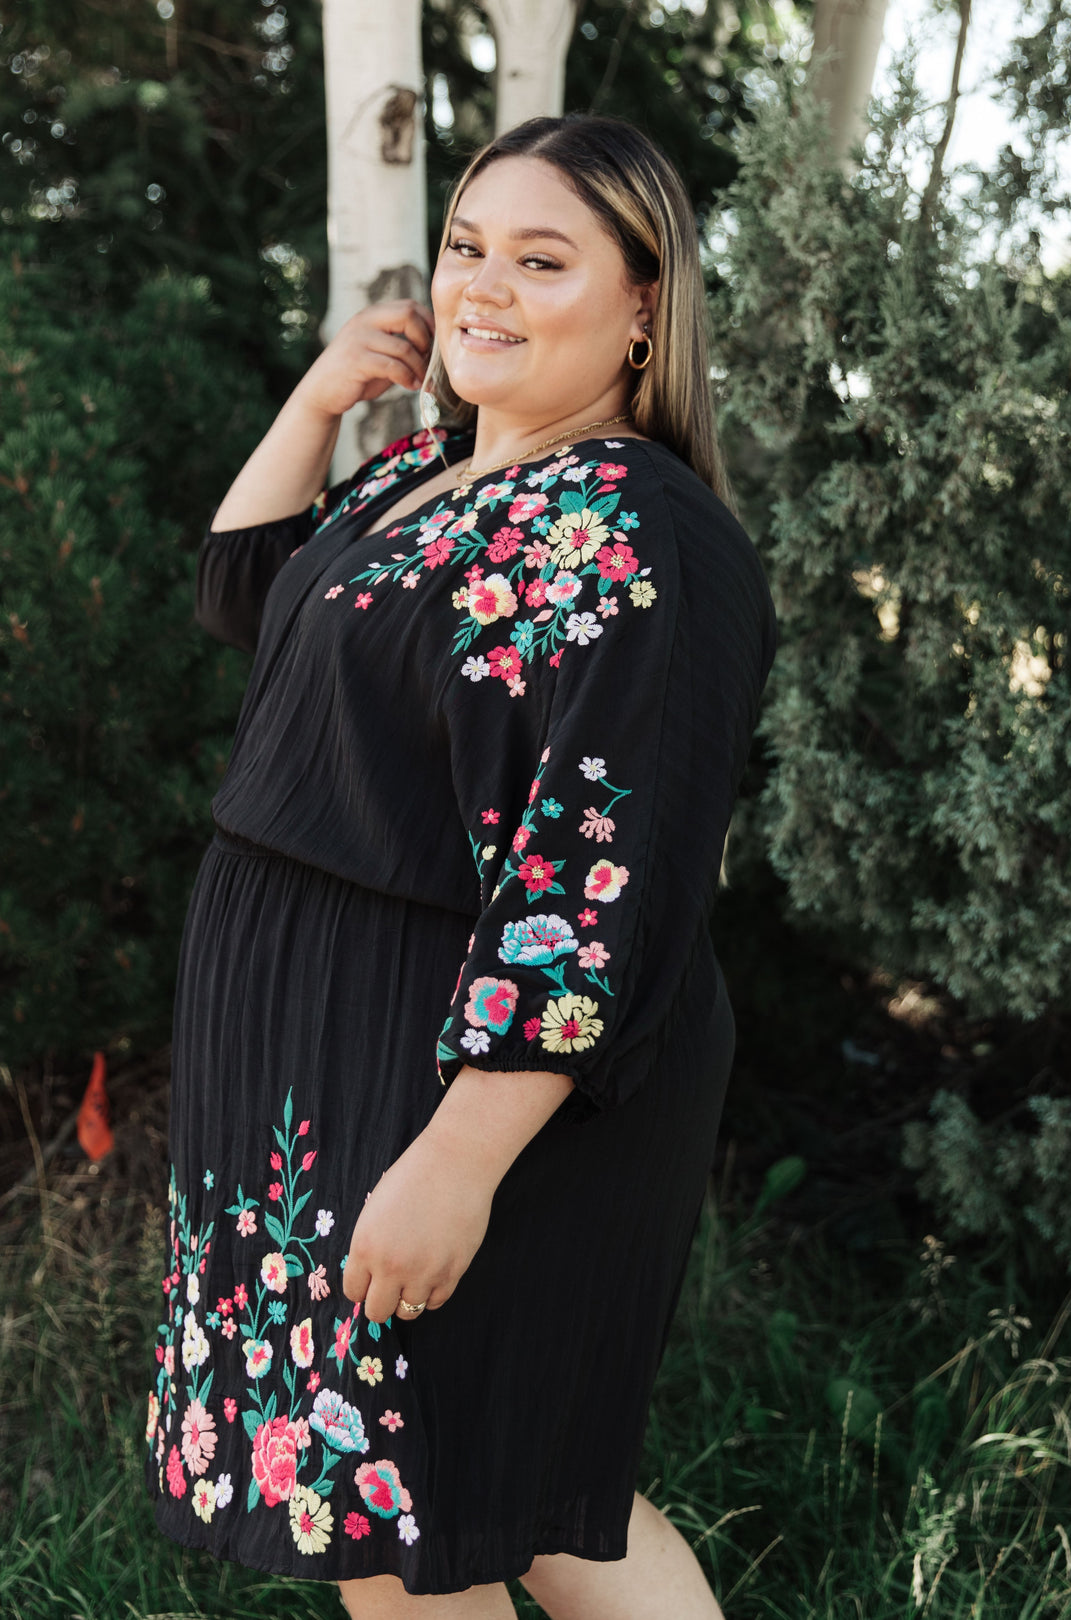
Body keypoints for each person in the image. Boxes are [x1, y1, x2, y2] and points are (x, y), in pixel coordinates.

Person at [145, 113, 777, 1619]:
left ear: (644, 305)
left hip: (450, 1083)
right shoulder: (423, 472)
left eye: (541, 260)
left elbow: (600, 877)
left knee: (410, 1494)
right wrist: (318, 401)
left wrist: (457, 1160)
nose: (483, 286)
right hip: (316, 1064)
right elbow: (246, 591)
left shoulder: (643, 530)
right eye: (466, 247)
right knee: (489, 1492)